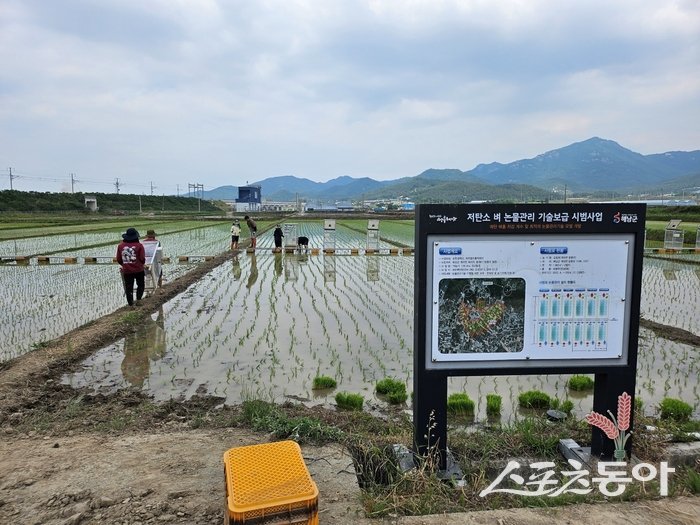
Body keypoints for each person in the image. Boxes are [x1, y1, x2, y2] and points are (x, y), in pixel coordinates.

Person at [116, 227, 146, 306]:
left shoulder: (120, 246)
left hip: (127, 270)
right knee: (141, 285)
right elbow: (142, 258)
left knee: (129, 287)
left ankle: (131, 305)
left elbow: (118, 259)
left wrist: (124, 265)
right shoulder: (139, 246)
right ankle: (139, 300)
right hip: (139, 270)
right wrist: (142, 263)